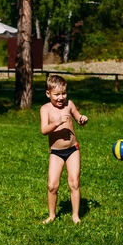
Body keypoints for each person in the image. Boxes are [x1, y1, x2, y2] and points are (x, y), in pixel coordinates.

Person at [40, 75, 88, 224]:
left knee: (74, 183)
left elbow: (78, 117)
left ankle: (75, 215)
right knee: (52, 185)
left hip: (73, 150)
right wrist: (56, 122)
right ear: (48, 94)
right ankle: (52, 215)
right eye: (57, 94)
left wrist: (82, 119)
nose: (61, 98)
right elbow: (44, 130)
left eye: (64, 93)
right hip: (56, 153)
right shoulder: (45, 109)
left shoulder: (69, 104)